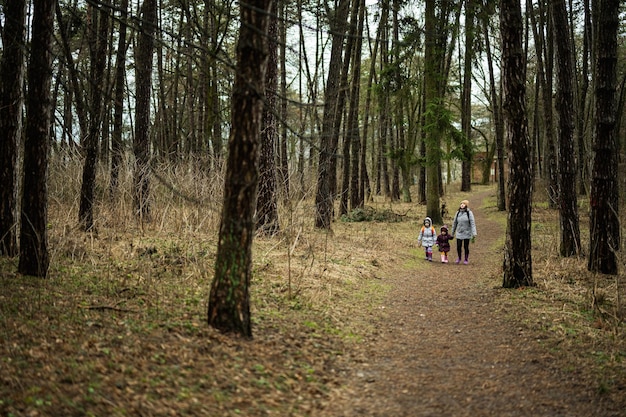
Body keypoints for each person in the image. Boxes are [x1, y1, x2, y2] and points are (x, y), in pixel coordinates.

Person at [451, 200, 477, 264]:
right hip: (459, 232)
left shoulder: (469, 213)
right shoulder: (457, 213)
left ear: (466, 205)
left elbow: (472, 223)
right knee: (458, 246)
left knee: (466, 246)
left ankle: (466, 259)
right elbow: (454, 223)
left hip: (467, 232)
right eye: (461, 203)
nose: (462, 205)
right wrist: (452, 233)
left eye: (464, 204)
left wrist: (474, 233)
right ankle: (459, 258)